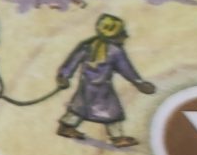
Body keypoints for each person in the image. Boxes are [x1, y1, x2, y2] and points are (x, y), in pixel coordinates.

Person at [56, 13, 155, 147]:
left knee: (79, 108)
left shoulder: (88, 45)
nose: (126, 36)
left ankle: (66, 127)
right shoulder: (113, 51)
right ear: (115, 34)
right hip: (100, 90)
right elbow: (126, 69)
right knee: (112, 112)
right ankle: (117, 138)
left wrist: (64, 75)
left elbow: (72, 61)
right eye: (122, 33)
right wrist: (139, 83)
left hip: (90, 88)